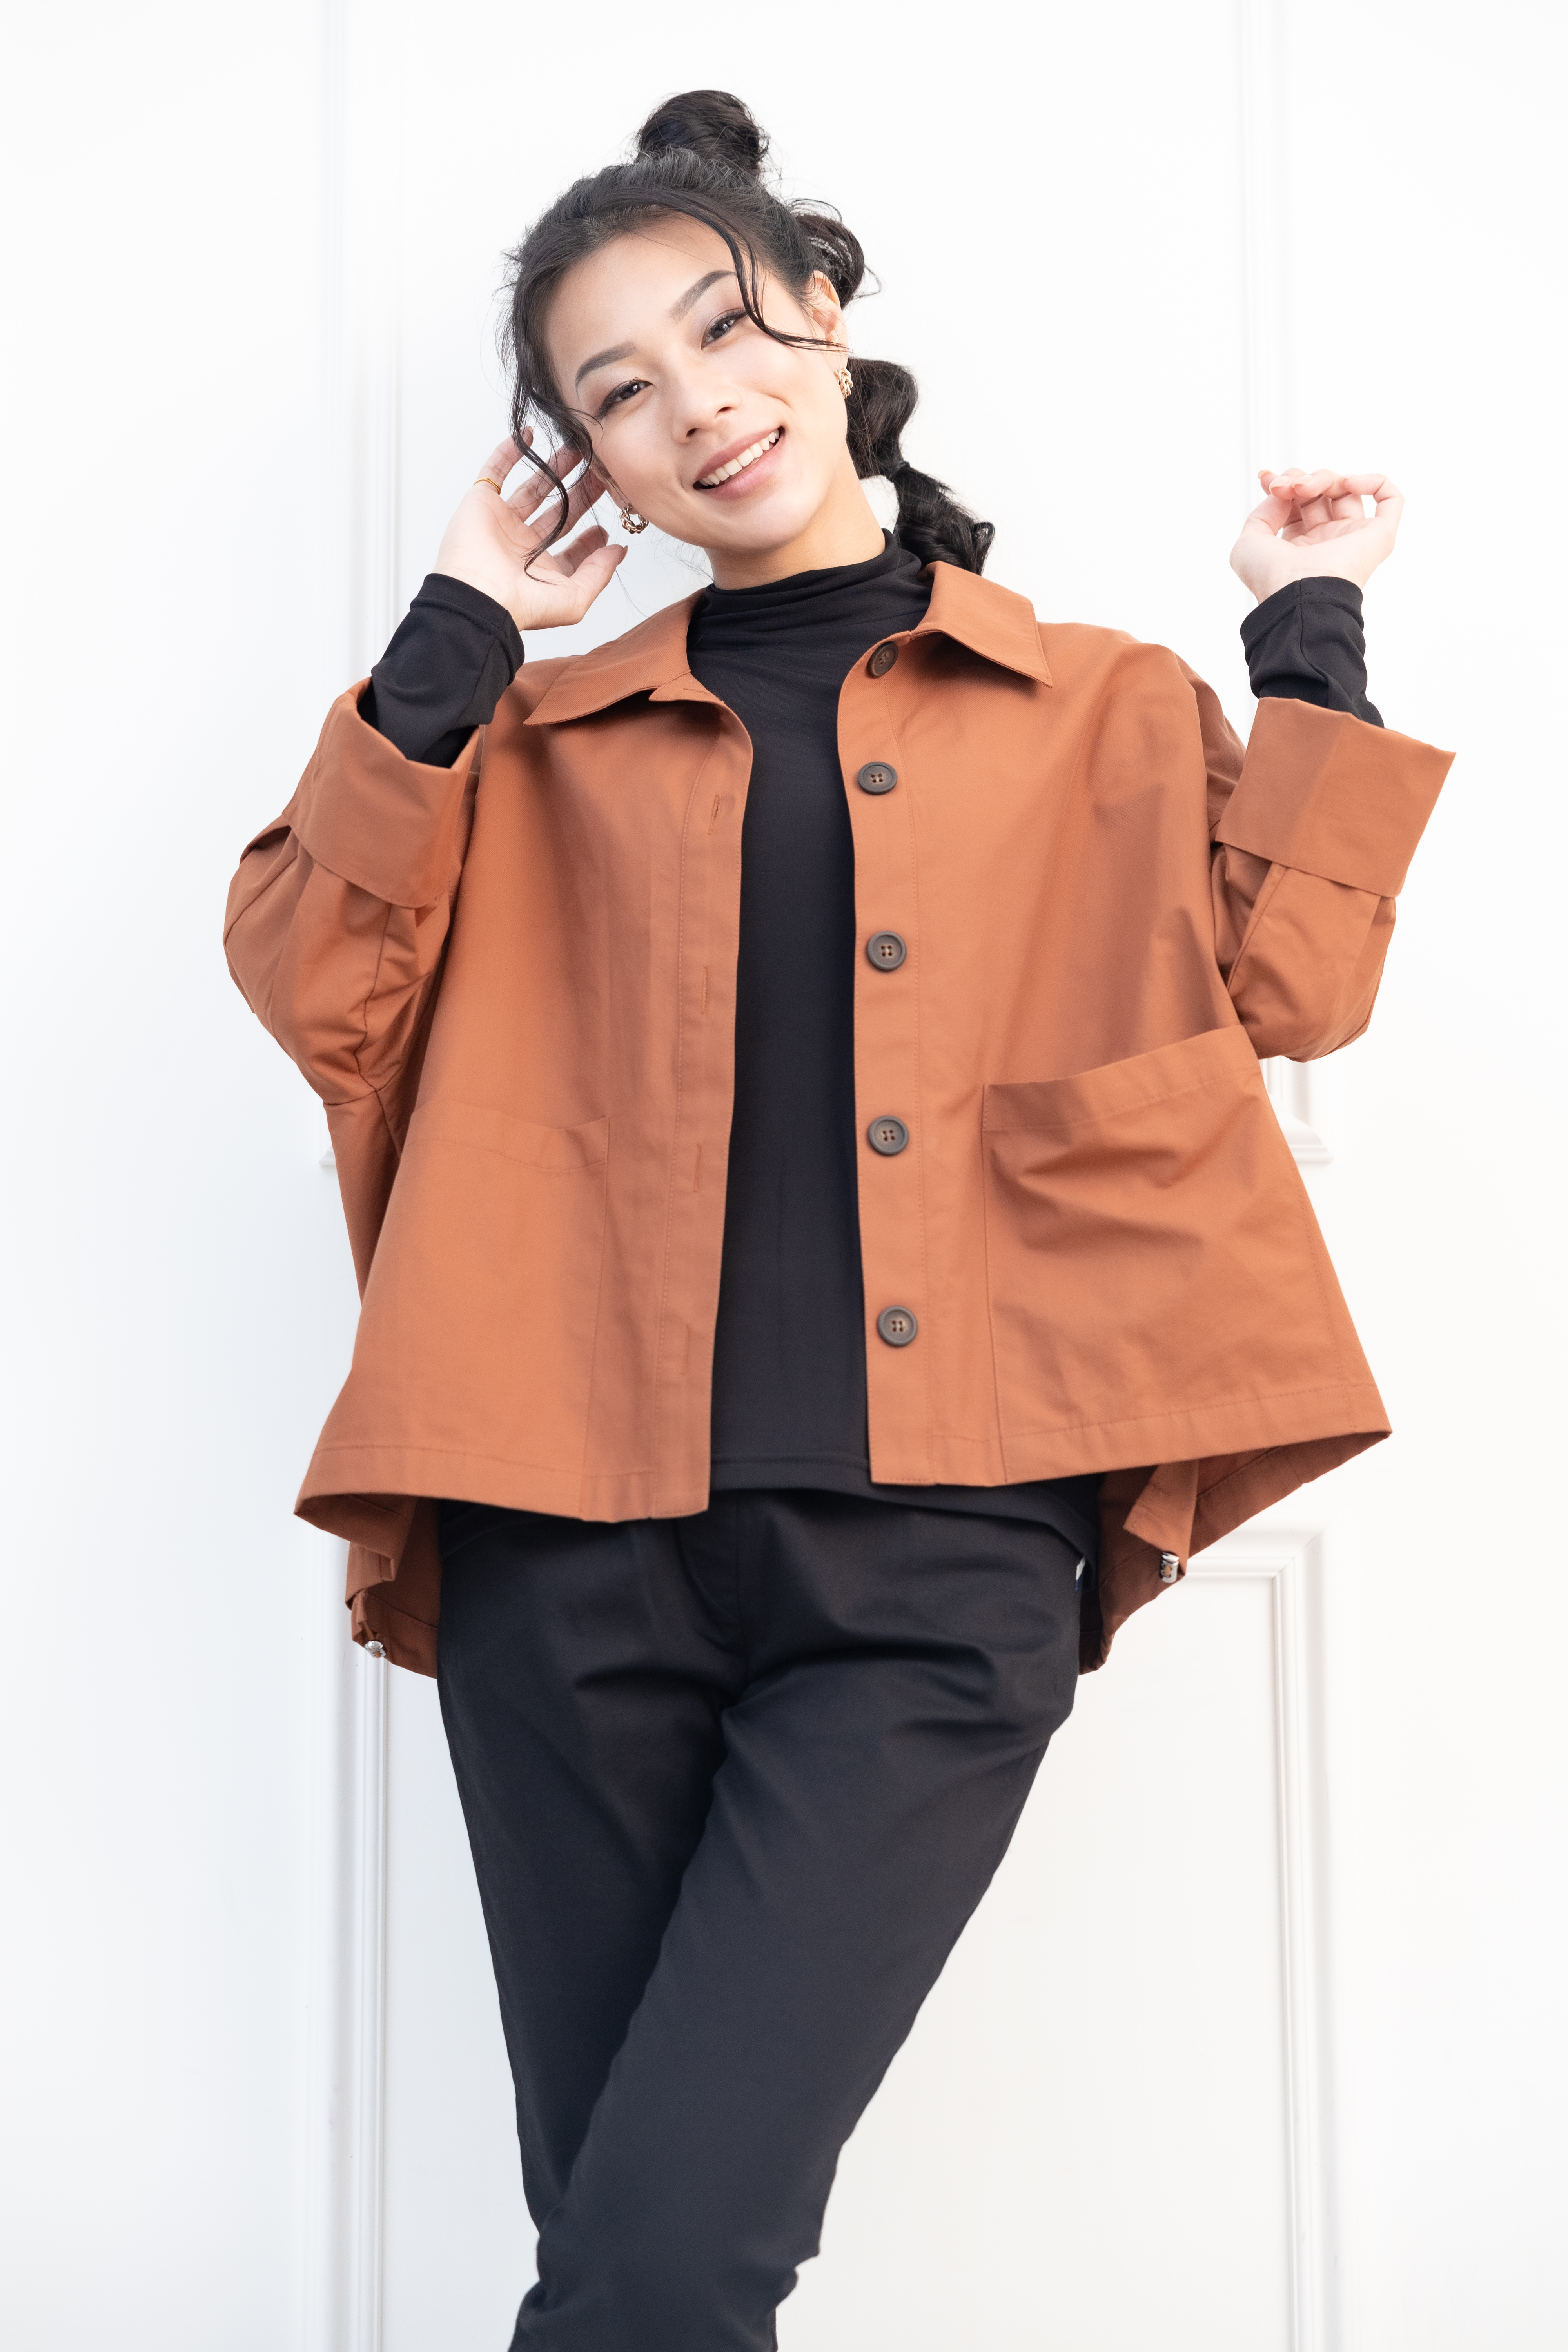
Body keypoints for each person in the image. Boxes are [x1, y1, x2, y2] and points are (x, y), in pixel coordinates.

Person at [225, 88, 1451, 2352]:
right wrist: (458, 636)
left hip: (941, 1561)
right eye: (619, 392)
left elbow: (1298, 984)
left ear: (826, 312)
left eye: (724, 329)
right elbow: (317, 985)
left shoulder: (1104, 708)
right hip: (562, 1547)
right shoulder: (534, 740)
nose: (698, 406)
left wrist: (1312, 639)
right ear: (591, 466)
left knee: (665, 2259)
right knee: (631, 2258)